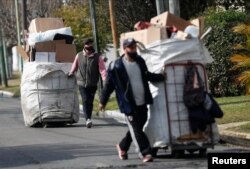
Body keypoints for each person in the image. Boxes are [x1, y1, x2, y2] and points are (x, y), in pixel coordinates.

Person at [99, 38, 165, 162]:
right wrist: (103, 100)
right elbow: (108, 86)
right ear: (124, 49)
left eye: (134, 47)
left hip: (142, 101)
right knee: (136, 128)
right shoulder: (116, 66)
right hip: (128, 103)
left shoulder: (140, 61)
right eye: (130, 47)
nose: (133, 50)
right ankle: (145, 153)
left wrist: (161, 76)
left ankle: (122, 146)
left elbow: (147, 75)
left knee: (139, 126)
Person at [69, 38, 106, 128]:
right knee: (85, 100)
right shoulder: (79, 55)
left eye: (90, 47)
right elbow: (74, 65)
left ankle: (89, 118)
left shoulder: (97, 57)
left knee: (90, 101)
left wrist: (105, 78)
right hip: (81, 83)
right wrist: (70, 73)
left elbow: (102, 69)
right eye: (87, 48)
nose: (89, 50)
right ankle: (87, 119)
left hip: (93, 83)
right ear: (84, 47)